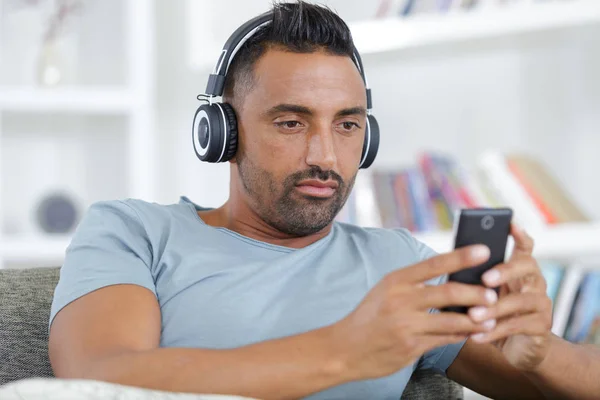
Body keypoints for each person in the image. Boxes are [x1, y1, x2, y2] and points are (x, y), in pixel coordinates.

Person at [48, 2, 599, 399]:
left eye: (347, 125)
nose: (327, 157)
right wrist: (344, 350)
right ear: (221, 132)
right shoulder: (133, 232)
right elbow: (97, 378)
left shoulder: (399, 264)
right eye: (291, 122)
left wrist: (541, 352)